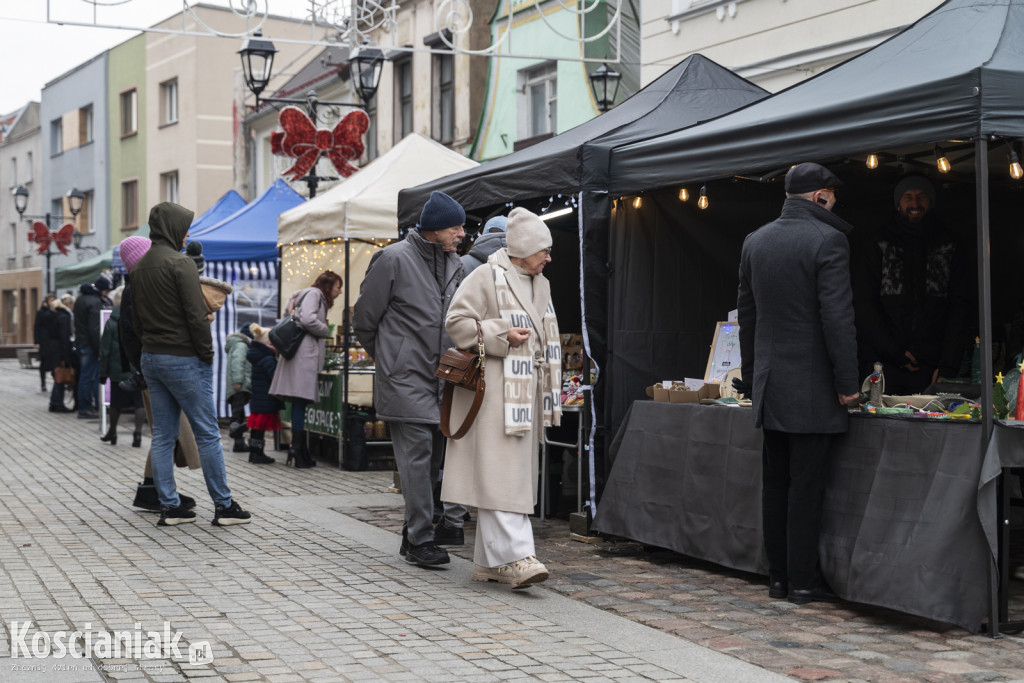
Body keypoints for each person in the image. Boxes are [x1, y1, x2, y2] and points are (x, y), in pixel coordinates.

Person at [736, 162, 860, 605]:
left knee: (776, 484)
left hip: (771, 384)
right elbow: (837, 318)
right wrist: (848, 383)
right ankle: (803, 582)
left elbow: (745, 319)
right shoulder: (829, 239)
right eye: (832, 195)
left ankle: (779, 578)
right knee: (806, 488)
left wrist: (752, 379)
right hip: (812, 388)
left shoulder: (755, 240)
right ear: (820, 196)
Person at [441, 207, 561, 589]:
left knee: (507, 476)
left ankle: (489, 563)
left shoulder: (540, 283)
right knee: (499, 477)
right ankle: (516, 556)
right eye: (544, 249)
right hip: (494, 395)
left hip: (525, 396)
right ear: (523, 247)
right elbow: (456, 323)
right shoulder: (485, 276)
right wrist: (500, 335)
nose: (549, 257)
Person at [353, 190, 469, 568]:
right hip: (406, 377)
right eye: (456, 227)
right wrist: (391, 358)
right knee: (417, 461)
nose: (462, 233)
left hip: (443, 379)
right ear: (435, 229)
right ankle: (422, 539)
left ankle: (411, 534)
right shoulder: (392, 259)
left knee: (433, 460)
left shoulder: (457, 265)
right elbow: (364, 320)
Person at [130, 202, 250, 527]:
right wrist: (206, 352)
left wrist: (149, 348)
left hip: (151, 357)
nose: (186, 235)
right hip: (183, 357)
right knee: (208, 433)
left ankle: (170, 507)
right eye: (184, 228)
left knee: (163, 436)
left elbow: (135, 319)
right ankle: (224, 506)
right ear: (172, 229)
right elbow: (196, 315)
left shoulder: (138, 268)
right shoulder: (180, 264)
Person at [854, 174, 971, 394]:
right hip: (883, 364)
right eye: (908, 197)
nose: (915, 204)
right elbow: (863, 303)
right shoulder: (878, 243)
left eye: (921, 197)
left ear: (931, 202)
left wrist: (948, 363)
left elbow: (961, 305)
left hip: (932, 367)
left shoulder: (950, 244)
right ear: (898, 204)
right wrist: (893, 351)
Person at [117, 235, 199, 513]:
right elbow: (131, 334)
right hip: (155, 369)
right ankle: (159, 493)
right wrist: (145, 366)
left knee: (166, 433)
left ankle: (153, 489)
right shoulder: (136, 289)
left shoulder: (139, 285)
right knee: (168, 433)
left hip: (152, 367)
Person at [269, 270, 341, 468]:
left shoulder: (302, 295)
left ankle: (298, 449)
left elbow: (289, 314)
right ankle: (298, 450)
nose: (339, 292)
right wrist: (325, 329)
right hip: (303, 355)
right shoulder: (315, 294)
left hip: (298, 354)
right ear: (328, 286)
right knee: (300, 401)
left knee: (299, 403)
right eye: (337, 287)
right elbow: (308, 320)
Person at [98, 286, 146, 447]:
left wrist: (103, 374)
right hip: (136, 368)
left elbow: (105, 351)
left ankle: (112, 432)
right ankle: (138, 434)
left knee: (116, 404)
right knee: (139, 403)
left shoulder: (111, 322)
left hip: (117, 370)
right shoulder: (140, 319)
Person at [74, 273, 113, 419]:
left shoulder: (80, 299)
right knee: (91, 376)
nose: (107, 294)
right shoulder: (95, 302)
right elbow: (95, 328)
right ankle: (87, 408)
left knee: (85, 376)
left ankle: (85, 406)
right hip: (90, 345)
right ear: (102, 290)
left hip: (81, 343)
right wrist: (100, 348)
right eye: (107, 291)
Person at [245, 324, 282, 465]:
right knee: (259, 428)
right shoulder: (268, 358)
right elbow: (274, 377)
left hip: (258, 398)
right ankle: (258, 454)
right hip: (266, 398)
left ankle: (254, 452)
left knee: (256, 428)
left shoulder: (257, 356)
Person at [225, 323, 254, 452]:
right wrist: (238, 381)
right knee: (237, 415)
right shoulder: (241, 346)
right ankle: (234, 432)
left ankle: (239, 444)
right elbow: (238, 362)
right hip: (239, 385)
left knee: (239, 414)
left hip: (237, 385)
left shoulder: (236, 345)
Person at [45, 295, 76, 413]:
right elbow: (64, 338)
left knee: (57, 377)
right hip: (59, 352)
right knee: (61, 377)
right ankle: (58, 403)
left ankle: (54, 402)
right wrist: (66, 358)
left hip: (53, 350)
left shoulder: (53, 316)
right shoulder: (64, 317)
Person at [34, 294, 57, 392]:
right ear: (46, 301)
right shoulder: (41, 312)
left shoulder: (56, 311)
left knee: (54, 362)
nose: (52, 302)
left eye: (53, 300)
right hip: (44, 340)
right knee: (44, 362)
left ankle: (56, 381)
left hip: (53, 340)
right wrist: (37, 342)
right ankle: (43, 383)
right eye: (50, 300)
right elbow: (36, 327)